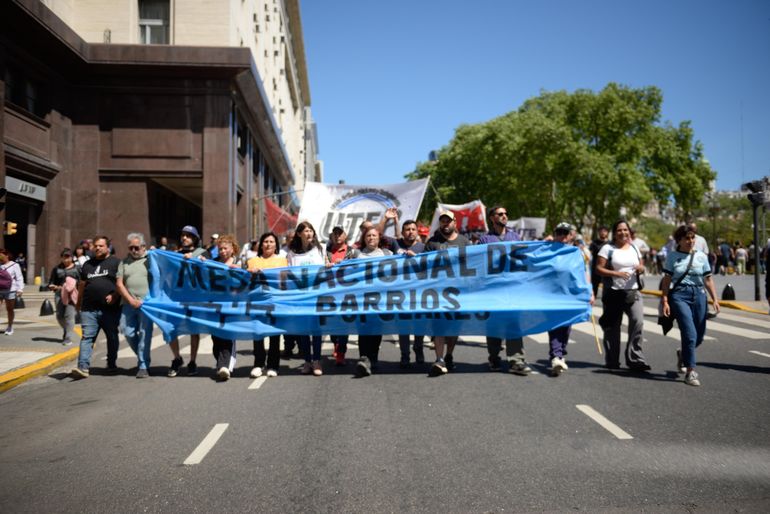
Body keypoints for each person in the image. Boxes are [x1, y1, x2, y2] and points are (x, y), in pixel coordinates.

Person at [660, 225, 720, 386]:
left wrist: (714, 299)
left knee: (699, 335)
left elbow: (708, 279)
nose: (690, 241)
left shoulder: (701, 256)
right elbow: (667, 280)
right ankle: (690, 371)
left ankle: (683, 354)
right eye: (686, 238)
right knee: (690, 333)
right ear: (679, 240)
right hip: (680, 295)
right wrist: (665, 299)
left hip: (699, 295)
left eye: (693, 237)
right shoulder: (672, 256)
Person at [477, 206, 531, 376]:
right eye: (500, 214)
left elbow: (523, 260)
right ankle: (494, 357)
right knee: (493, 325)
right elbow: (479, 264)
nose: (504, 216)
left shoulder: (515, 237)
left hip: (512, 290)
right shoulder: (484, 240)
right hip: (493, 290)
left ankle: (516, 360)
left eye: (506, 213)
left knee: (513, 323)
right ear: (492, 218)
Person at [595, 219, 650, 371]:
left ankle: (635, 359)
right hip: (613, 293)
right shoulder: (607, 249)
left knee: (637, 322)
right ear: (615, 233)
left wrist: (641, 268)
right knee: (612, 328)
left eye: (625, 230)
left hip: (633, 292)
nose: (623, 233)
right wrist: (616, 273)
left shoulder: (634, 248)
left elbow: (641, 266)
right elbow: (598, 269)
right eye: (619, 230)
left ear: (629, 232)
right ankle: (612, 361)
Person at [425, 210, 471, 375]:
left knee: (453, 328)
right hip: (437, 292)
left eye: (448, 221)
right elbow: (424, 266)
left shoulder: (464, 242)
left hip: (458, 293)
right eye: (442, 221)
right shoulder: (432, 243)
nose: (445, 224)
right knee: (439, 327)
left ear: (454, 223)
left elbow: (471, 267)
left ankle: (449, 355)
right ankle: (439, 359)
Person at [547, 223, 595, 376]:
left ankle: (560, 353)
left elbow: (584, 272)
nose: (562, 236)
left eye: (565, 233)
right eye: (559, 232)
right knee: (555, 325)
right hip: (552, 294)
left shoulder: (577, 253)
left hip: (571, 294)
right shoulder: (547, 250)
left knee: (566, 327)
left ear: (570, 236)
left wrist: (590, 291)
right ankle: (556, 356)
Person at [70, 236, 121, 378]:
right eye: (96, 246)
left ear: (107, 247)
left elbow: (123, 283)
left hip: (110, 309)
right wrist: (78, 304)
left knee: (112, 337)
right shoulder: (87, 265)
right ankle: (83, 367)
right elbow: (81, 285)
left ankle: (111, 364)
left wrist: (115, 295)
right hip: (89, 309)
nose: (98, 248)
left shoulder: (116, 262)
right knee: (87, 337)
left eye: (101, 246)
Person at [348, 226, 393, 377]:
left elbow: (400, 266)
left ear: (379, 238)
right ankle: (364, 358)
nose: (371, 238)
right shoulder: (356, 254)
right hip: (361, 299)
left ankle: (373, 358)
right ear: (364, 238)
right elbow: (342, 267)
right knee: (363, 329)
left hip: (380, 300)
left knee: (376, 330)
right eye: (368, 236)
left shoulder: (387, 254)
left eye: (374, 236)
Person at [167, 225, 210, 377]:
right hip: (176, 297)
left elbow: (209, 273)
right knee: (170, 328)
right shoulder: (175, 254)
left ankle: (192, 361)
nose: (184, 238)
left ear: (195, 238)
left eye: (188, 235)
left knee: (194, 330)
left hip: (194, 298)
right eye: (183, 235)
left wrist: (200, 261)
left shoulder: (202, 253)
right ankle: (177, 358)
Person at [287, 221, 329, 376]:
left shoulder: (321, 248)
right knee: (303, 330)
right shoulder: (291, 253)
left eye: (311, 230)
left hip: (317, 295)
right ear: (299, 234)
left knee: (316, 329)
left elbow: (327, 266)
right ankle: (307, 361)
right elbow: (289, 274)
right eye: (305, 231)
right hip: (300, 297)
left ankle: (317, 360)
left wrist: (329, 266)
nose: (309, 233)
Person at [246, 232, 288, 378]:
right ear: (260, 244)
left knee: (274, 334)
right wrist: (251, 272)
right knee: (257, 332)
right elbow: (246, 281)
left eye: (271, 241)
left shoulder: (283, 261)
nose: (268, 244)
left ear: (276, 245)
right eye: (265, 241)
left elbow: (285, 282)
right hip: (257, 300)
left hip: (275, 300)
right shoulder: (252, 261)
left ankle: (273, 365)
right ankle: (258, 364)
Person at [115, 233, 154, 378]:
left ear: (143, 247)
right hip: (127, 304)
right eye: (131, 248)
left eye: (136, 247)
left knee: (145, 334)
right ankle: (142, 356)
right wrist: (130, 300)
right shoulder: (123, 262)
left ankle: (143, 365)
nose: (133, 250)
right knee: (127, 331)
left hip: (146, 305)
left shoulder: (150, 260)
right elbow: (119, 284)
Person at [395, 219, 427, 368]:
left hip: (419, 292)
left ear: (417, 231)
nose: (410, 232)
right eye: (407, 229)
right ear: (402, 233)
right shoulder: (396, 245)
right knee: (404, 326)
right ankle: (404, 355)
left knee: (419, 324)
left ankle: (419, 349)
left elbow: (430, 267)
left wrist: (417, 259)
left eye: (413, 229)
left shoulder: (423, 247)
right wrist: (392, 219)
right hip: (401, 293)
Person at [209, 234, 241, 380]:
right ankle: (221, 363)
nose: (222, 251)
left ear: (233, 249)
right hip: (215, 305)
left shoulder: (240, 263)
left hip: (232, 306)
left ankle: (225, 366)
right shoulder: (213, 263)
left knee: (227, 335)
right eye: (220, 249)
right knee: (216, 337)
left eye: (225, 248)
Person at [326, 226, 354, 366]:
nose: (337, 236)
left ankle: (341, 351)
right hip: (330, 293)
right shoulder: (326, 252)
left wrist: (343, 265)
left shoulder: (352, 252)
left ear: (345, 235)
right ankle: (336, 343)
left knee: (344, 324)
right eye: (334, 233)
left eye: (340, 233)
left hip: (347, 293)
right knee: (332, 324)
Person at [48, 248, 80, 345]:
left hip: (72, 294)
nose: (66, 259)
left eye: (68, 257)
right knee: (59, 316)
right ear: (61, 258)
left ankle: (68, 337)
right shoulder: (57, 269)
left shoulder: (77, 269)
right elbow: (51, 281)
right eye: (64, 257)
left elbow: (82, 281)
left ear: (72, 257)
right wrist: (52, 286)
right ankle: (67, 330)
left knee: (69, 316)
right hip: (59, 293)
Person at [0, 249, 25, 335]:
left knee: (9, 309)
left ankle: (10, 326)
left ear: (6, 255)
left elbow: (19, 277)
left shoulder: (15, 265)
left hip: (10, 290)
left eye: (1, 255)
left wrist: (20, 289)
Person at [589, 225, 610, 296]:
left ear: (607, 233)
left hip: (607, 268)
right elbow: (589, 254)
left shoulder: (610, 243)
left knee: (607, 287)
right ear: (598, 232)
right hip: (596, 268)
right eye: (601, 231)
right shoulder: (594, 243)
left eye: (605, 231)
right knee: (594, 287)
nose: (603, 233)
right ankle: (592, 302)